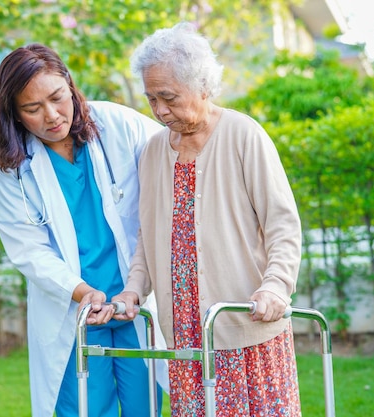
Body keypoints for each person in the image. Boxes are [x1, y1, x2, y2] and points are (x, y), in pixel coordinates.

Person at [93, 23, 304, 416]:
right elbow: (147, 235)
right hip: (187, 336)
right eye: (151, 98)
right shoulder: (154, 151)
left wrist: (276, 286)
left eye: (168, 97)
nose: (158, 110)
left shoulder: (244, 135)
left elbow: (282, 224)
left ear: (202, 85)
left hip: (245, 327)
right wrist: (133, 291)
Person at [0, 43, 166, 417]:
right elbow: (29, 250)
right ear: (14, 114)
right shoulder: (12, 168)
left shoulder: (120, 125)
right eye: (32, 109)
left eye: (57, 97)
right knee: (84, 409)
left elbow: (173, 162)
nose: (52, 116)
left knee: (144, 407)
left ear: (70, 85)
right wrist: (84, 292)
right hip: (74, 309)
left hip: (133, 300)